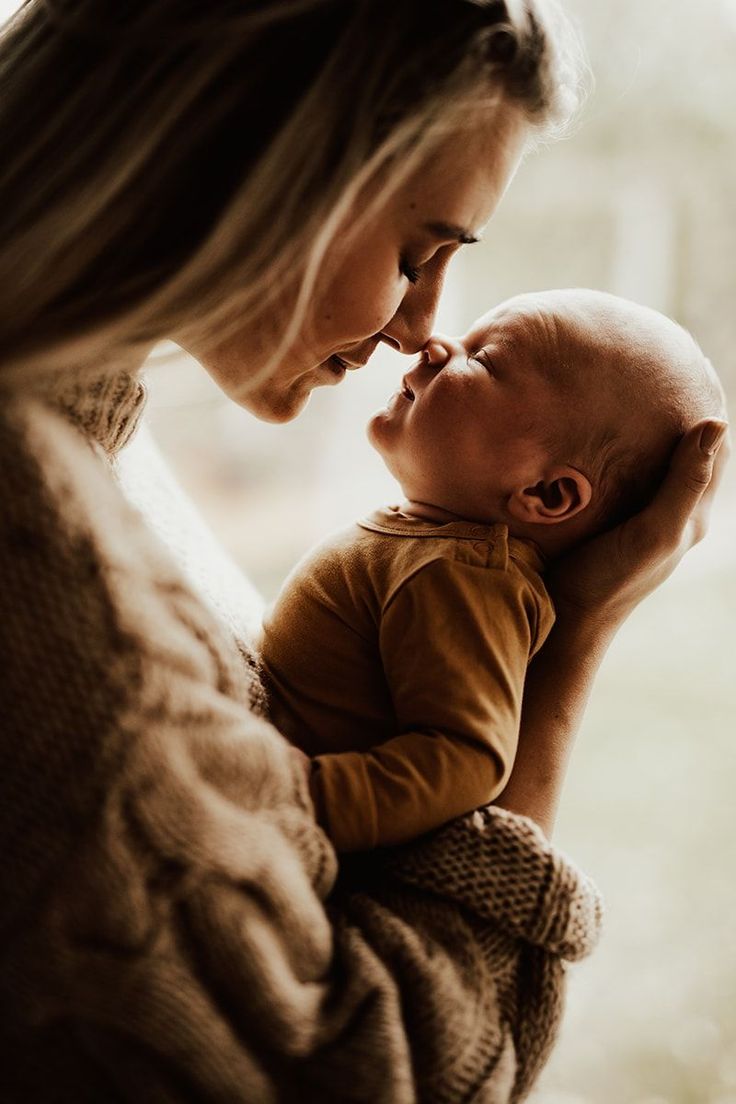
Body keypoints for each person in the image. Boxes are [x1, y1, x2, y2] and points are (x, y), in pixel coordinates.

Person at [0, 1, 728, 1102]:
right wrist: (572, 641)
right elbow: (390, 1076)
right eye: (412, 252)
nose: (415, 324)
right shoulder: (72, 625)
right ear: (246, 154)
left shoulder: (87, 441)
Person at [260, 289, 726, 853]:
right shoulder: (434, 550)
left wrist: (290, 801)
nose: (433, 346)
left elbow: (465, 757)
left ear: (546, 492)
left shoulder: (462, 574)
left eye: (482, 359)